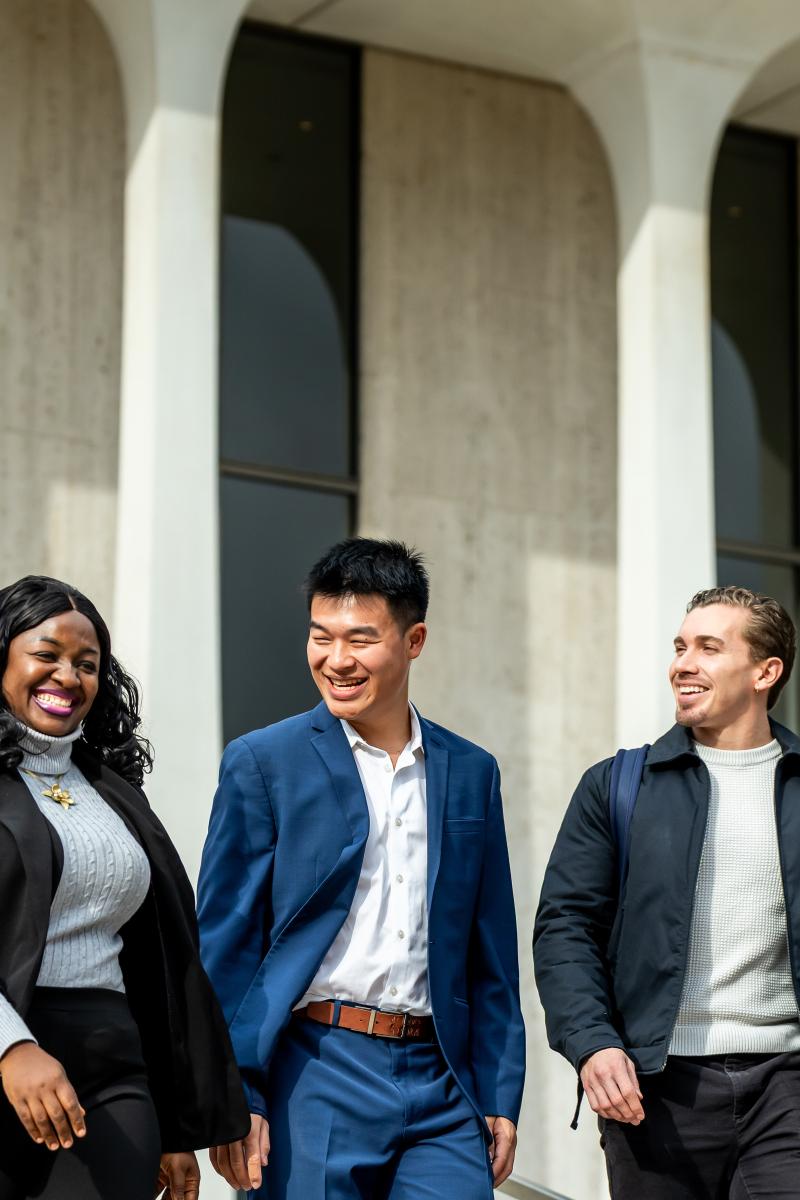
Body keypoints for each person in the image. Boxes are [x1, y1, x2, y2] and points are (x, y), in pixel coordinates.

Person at [197, 537, 525, 1199]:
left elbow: (490, 952)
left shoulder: (470, 772)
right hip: (313, 1069)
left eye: (360, 639)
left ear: (415, 640)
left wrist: (498, 1089)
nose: (335, 660)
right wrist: (236, 1094)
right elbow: (226, 945)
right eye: (321, 637)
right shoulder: (264, 763)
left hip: (441, 1081)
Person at [534, 585, 800, 1199]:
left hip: (787, 1084)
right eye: (680, 646)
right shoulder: (618, 786)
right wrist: (593, 1043)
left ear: (766, 671)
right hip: (654, 1089)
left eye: (709, 647)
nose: (683, 663)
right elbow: (565, 928)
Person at [0, 575, 250, 1200]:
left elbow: (157, 962)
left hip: (114, 1068)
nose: (67, 676)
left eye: (87, 664)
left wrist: (174, 1126)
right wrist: (9, 1048)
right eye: (47, 654)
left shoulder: (113, 791)